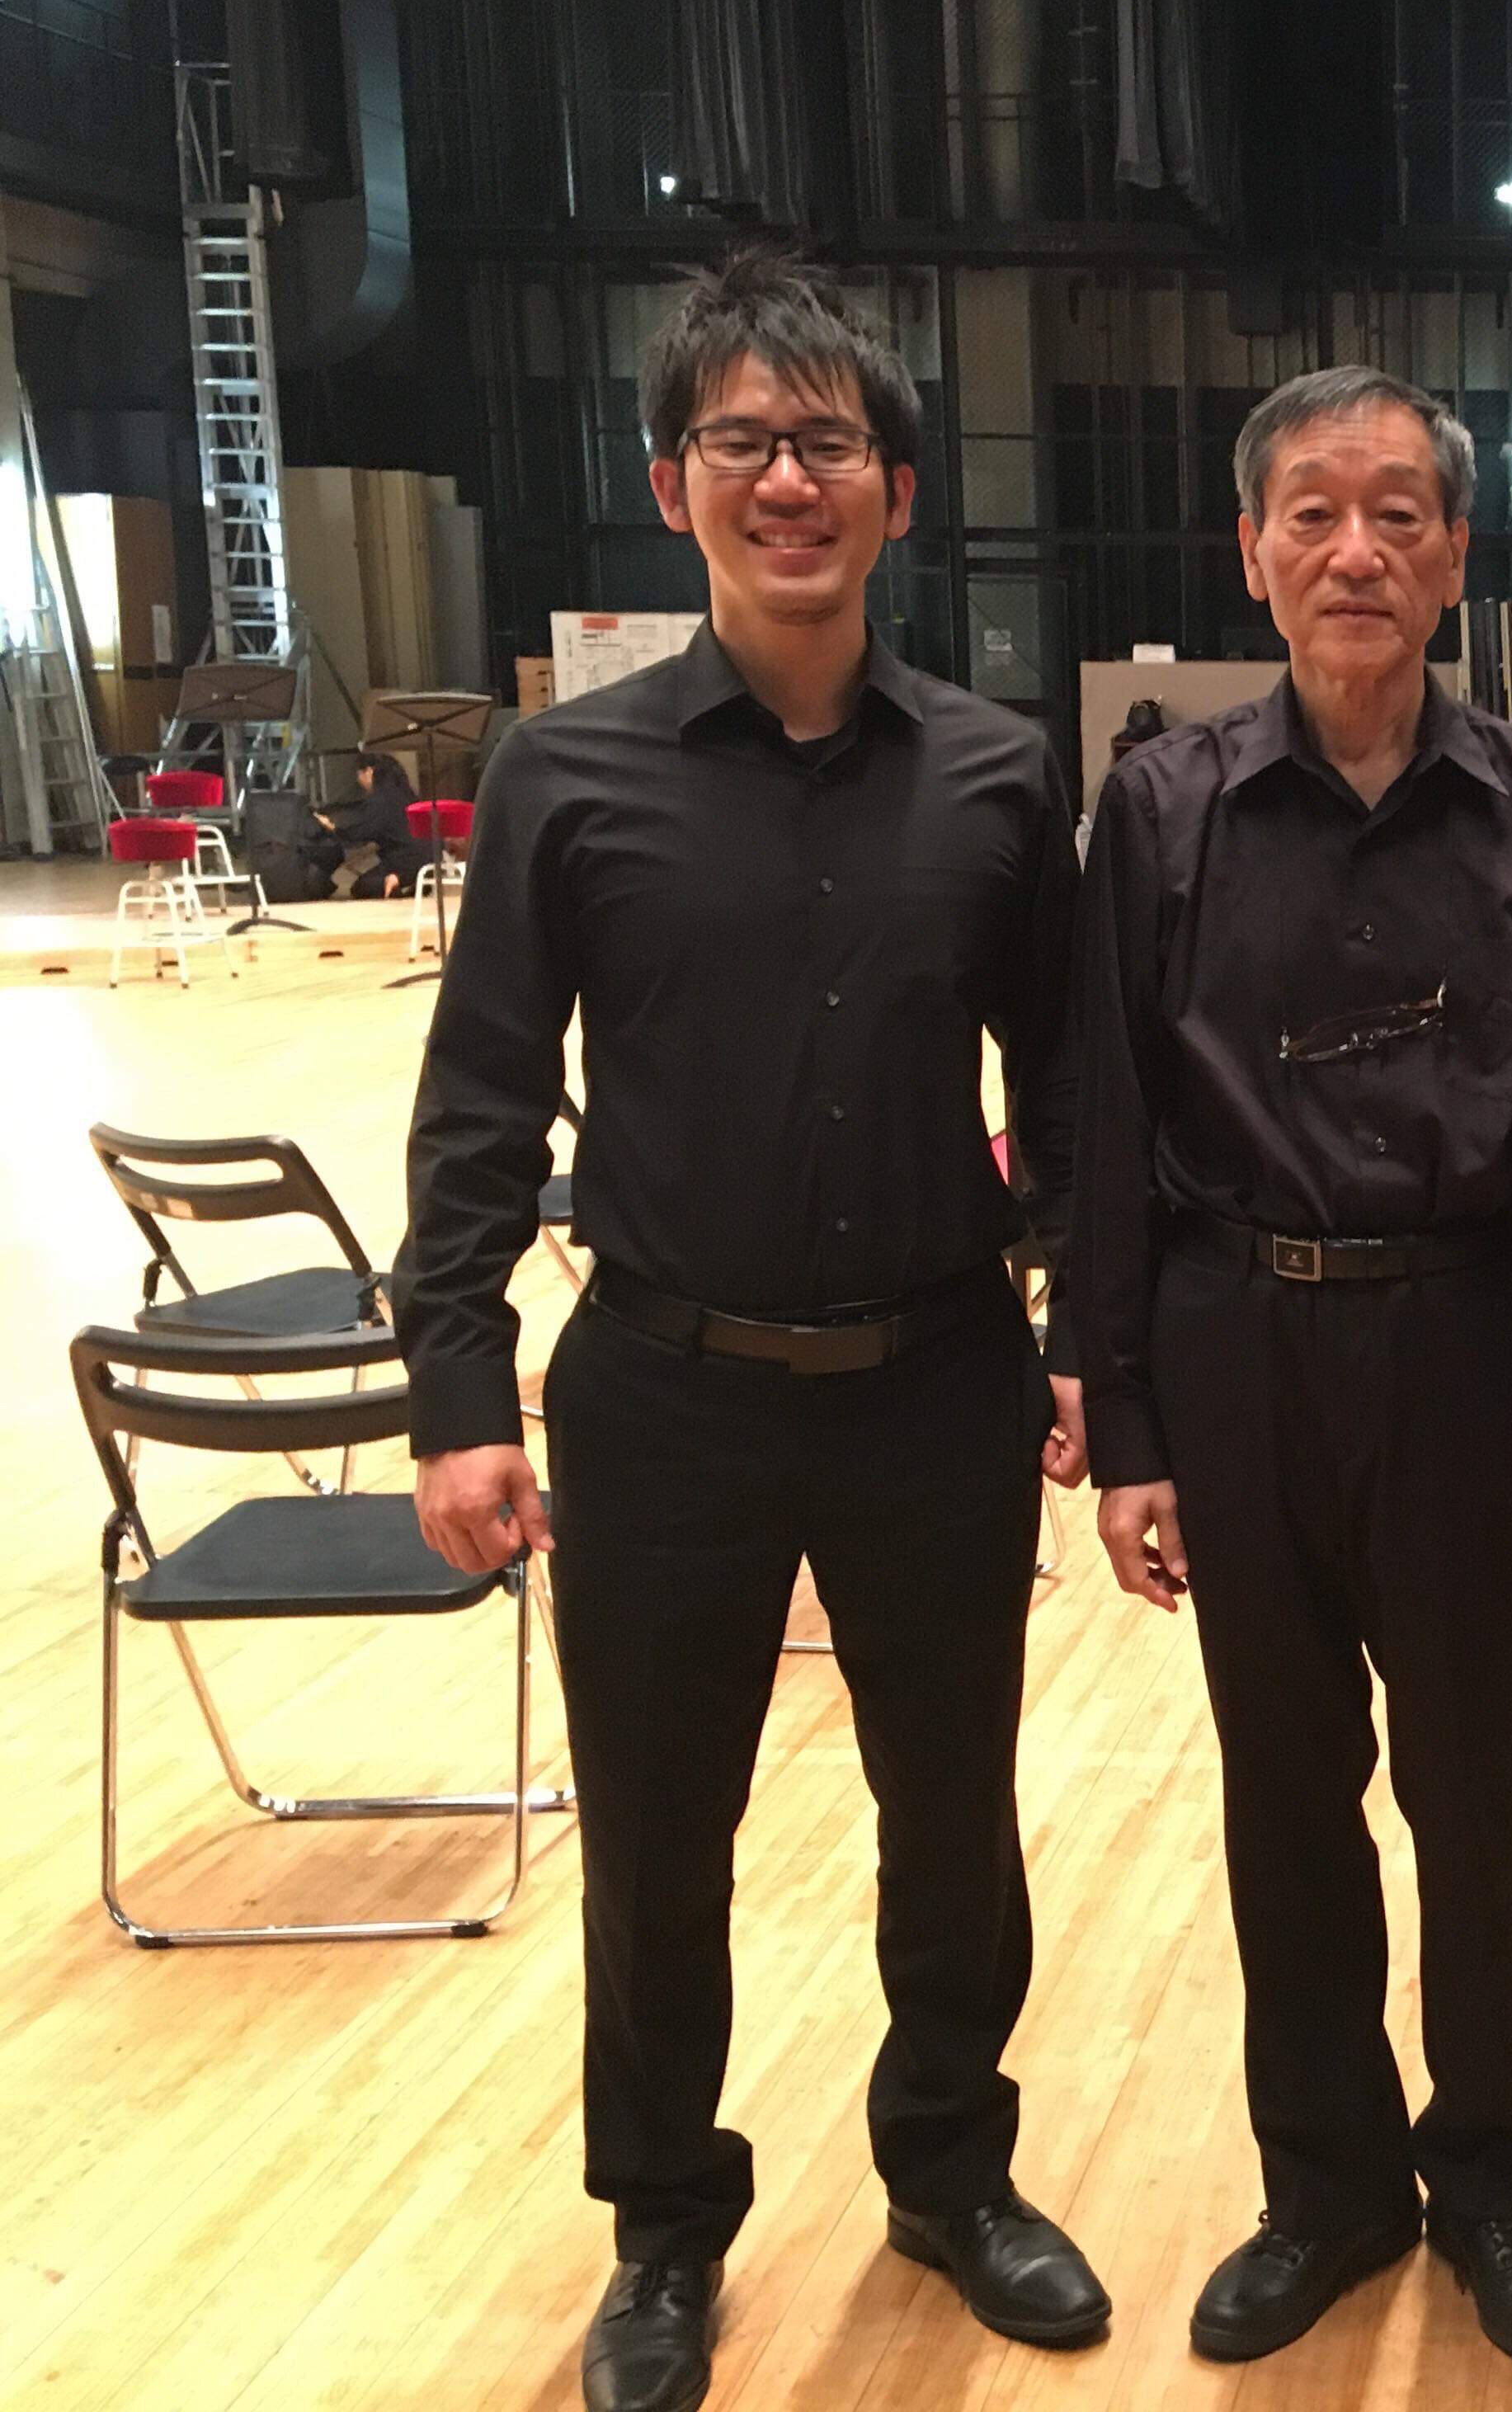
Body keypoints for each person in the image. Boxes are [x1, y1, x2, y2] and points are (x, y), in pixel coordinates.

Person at [396, 248, 1106, 2412]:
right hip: (663, 1395)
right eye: (743, 442)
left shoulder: (996, 774)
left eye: (828, 444)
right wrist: (454, 1391)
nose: (787, 480)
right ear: (670, 482)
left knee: (951, 1820)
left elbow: (1074, 1091)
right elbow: (481, 1099)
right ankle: (663, 2229)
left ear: (897, 492)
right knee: (657, 1841)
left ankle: (950, 2172)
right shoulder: (563, 774)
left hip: (938, 1385)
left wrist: (1093, 1336)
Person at [1072, 365, 1512, 2372]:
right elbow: (1107, 1130)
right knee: (1286, 1796)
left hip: (1475, 1339)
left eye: (1400, 512)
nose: (1356, 549)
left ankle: (1494, 2183)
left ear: (1457, 555)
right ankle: (1326, 2186)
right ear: (1252, 551)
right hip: (1238, 1339)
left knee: (1479, 1800)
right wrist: (1123, 1421)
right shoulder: (1162, 813)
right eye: (1313, 511)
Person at [304, 749, 422, 895]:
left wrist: (333, 827)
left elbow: (362, 832)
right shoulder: (407, 795)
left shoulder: (381, 800)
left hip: (405, 860)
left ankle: (397, 883)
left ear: (369, 772)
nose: (359, 780)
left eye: (359, 774)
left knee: (362, 888)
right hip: (429, 857)